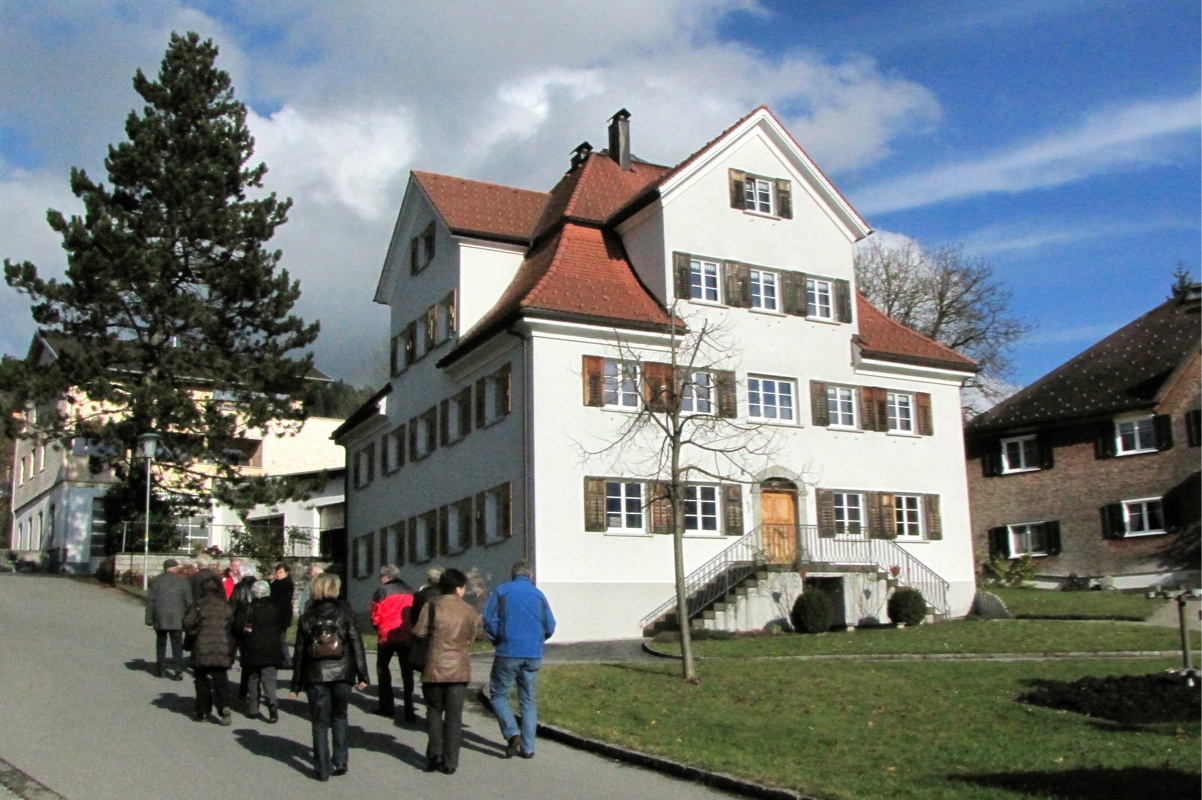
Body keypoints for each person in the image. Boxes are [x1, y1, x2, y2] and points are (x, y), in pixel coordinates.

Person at [289, 573, 369, 782]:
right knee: (340, 716)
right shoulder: (344, 614)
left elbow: (299, 652)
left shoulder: (307, 617)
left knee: (319, 722)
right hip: (342, 673)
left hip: (316, 674)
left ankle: (322, 767)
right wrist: (363, 675)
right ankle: (341, 760)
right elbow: (356, 644)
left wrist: (295, 684)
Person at [483, 560, 556, 759]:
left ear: (512, 574)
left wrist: (498, 637)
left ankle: (512, 733)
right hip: (532, 654)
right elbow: (550, 625)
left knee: (499, 696)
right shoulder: (539, 595)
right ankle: (528, 747)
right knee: (528, 701)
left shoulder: (502, 591)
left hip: (507, 651)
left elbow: (488, 619)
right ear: (530, 576)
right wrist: (537, 640)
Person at [413, 568, 481, 775]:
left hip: (434, 666)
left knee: (434, 711)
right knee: (454, 717)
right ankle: (451, 762)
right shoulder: (469, 610)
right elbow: (471, 637)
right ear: (459, 588)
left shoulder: (431, 606)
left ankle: (435, 754)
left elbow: (419, 632)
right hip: (459, 669)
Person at [183, 575, 236, 724]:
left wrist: (194, 632)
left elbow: (188, 622)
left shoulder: (199, 605)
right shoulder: (225, 606)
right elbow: (230, 623)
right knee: (220, 678)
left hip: (202, 646)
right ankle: (224, 705)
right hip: (222, 645)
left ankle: (203, 710)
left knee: (201, 679)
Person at [233, 580, 284, 723]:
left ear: (254, 593)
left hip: (252, 647)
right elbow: (282, 625)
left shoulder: (248, 608)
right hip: (271, 648)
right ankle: (272, 707)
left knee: (252, 678)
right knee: (269, 680)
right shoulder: (275, 608)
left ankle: (253, 708)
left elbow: (237, 626)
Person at [370, 564, 416, 722]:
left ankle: (386, 706)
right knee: (407, 672)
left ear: (386, 576)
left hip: (387, 636)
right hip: (406, 635)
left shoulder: (381, 591)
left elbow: (375, 614)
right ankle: (409, 708)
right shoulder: (410, 590)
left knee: (383, 668)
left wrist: (377, 628)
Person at [144, 558, 191, 680]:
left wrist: (149, 619)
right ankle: (178, 670)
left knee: (161, 643)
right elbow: (188, 601)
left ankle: (161, 669)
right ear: (174, 568)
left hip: (160, 617)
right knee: (177, 644)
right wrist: (188, 616)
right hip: (177, 618)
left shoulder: (157, 581)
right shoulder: (183, 581)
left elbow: (151, 601)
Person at [269, 562, 295, 668]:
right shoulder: (277, 583)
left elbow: (282, 601)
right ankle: (281, 659)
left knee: (281, 639)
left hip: (282, 615)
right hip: (277, 614)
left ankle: (287, 660)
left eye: (281, 572)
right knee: (277, 639)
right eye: (277, 572)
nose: (278, 574)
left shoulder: (287, 584)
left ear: (286, 573)